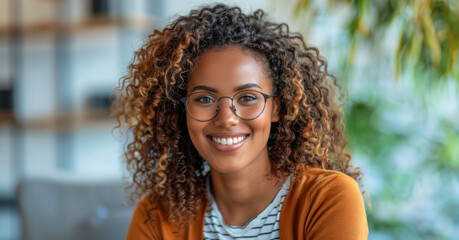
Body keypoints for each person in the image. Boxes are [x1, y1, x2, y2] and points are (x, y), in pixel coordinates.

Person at [115, 3, 368, 239]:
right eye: (204, 99)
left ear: (277, 108)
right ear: (182, 111)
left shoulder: (328, 198)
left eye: (247, 97)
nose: (226, 119)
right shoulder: (157, 216)